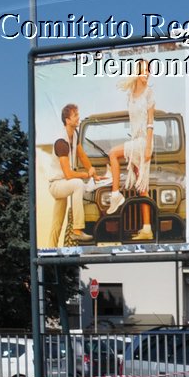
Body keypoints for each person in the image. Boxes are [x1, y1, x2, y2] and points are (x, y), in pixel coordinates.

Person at [107, 59, 156, 242]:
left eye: (148, 71)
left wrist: (149, 147)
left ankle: (115, 194)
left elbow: (150, 122)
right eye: (144, 70)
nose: (147, 74)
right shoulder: (131, 94)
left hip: (143, 143)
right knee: (142, 188)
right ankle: (147, 228)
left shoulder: (149, 93)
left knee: (113, 153)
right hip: (135, 140)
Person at [47, 104, 97, 246]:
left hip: (64, 184)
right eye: (75, 115)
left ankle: (51, 249)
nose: (78, 117)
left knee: (57, 222)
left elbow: (81, 154)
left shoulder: (74, 135)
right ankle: (77, 230)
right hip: (57, 184)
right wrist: (85, 174)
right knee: (77, 184)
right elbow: (68, 174)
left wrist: (92, 171)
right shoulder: (61, 142)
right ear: (67, 120)